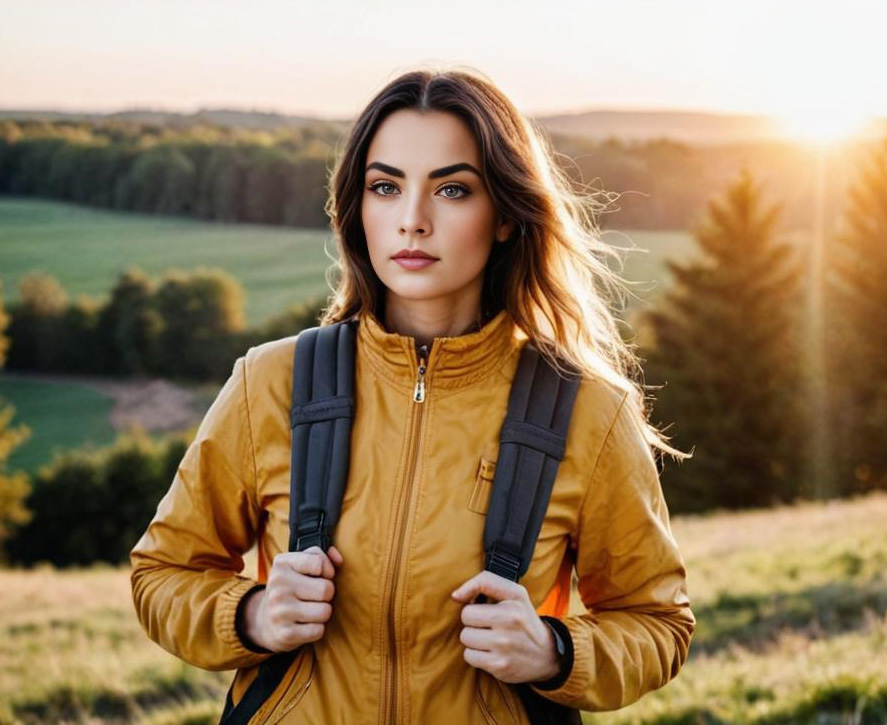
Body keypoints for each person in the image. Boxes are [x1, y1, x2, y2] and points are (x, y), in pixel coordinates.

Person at [130, 66, 696, 724]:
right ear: (357, 208)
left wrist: (553, 649)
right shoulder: (270, 382)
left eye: (453, 189)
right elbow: (161, 573)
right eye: (385, 186)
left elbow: (658, 623)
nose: (412, 220)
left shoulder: (589, 412)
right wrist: (252, 613)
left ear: (507, 215)